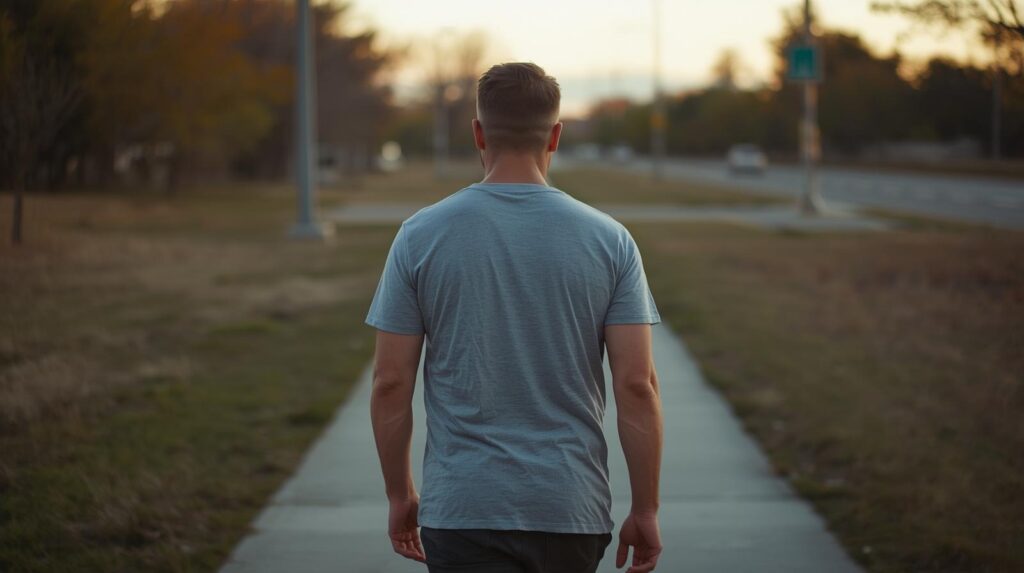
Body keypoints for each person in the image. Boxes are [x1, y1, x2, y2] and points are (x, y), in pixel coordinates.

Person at [366, 62, 664, 573]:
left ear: (478, 133)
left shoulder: (420, 235)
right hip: (569, 508)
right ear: (556, 137)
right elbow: (637, 386)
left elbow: (390, 382)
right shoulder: (610, 240)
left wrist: (400, 495)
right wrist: (646, 508)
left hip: (462, 509)